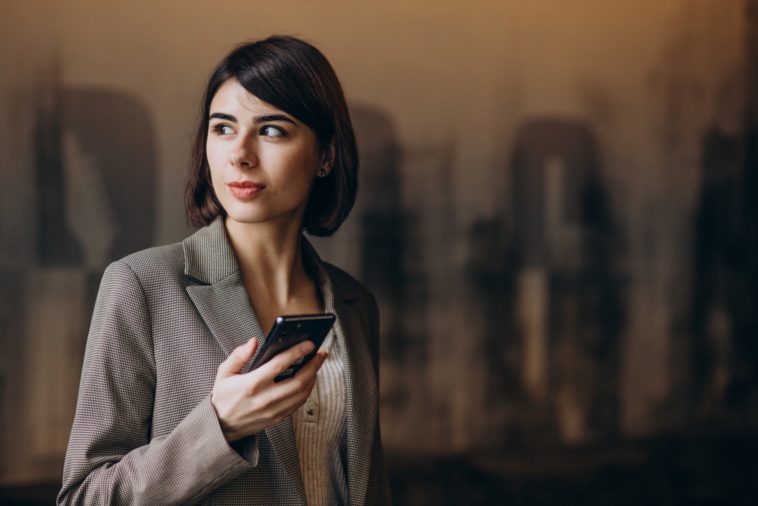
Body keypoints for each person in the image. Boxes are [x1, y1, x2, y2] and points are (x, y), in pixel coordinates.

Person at [57, 35, 390, 506]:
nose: (240, 154)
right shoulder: (143, 285)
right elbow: (84, 498)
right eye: (223, 128)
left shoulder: (354, 304)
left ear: (326, 156)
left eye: (272, 130)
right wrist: (221, 425)